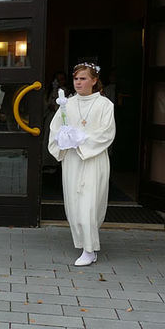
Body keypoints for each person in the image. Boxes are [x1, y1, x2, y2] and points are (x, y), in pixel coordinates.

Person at [47, 63, 116, 266]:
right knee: (75, 204)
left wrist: (81, 141)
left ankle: (89, 249)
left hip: (93, 159)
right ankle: (84, 242)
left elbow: (106, 133)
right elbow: (55, 129)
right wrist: (64, 138)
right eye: (76, 78)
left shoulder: (105, 105)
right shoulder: (66, 104)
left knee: (89, 203)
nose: (78, 82)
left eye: (83, 78)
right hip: (72, 160)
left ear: (94, 80)